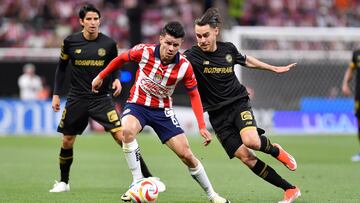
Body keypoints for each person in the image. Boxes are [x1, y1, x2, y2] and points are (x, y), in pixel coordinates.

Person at [92, 21, 230, 203]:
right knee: (126, 131)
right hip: (138, 105)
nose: (171, 48)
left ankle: (213, 195)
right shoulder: (144, 51)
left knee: (186, 154)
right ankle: (137, 182)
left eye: (176, 45)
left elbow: (194, 95)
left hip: (163, 110)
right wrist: (100, 76)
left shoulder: (184, 66)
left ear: (180, 45)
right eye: (168, 43)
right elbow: (121, 59)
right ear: (161, 39)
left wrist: (202, 125)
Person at [183, 8, 301, 203]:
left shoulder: (228, 49)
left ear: (215, 32)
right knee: (247, 158)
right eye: (198, 36)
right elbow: (173, 62)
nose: (202, 40)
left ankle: (276, 150)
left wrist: (273, 68)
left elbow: (246, 60)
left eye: (205, 35)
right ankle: (290, 189)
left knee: (252, 141)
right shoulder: (192, 55)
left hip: (238, 104)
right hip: (217, 116)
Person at [49, 4, 164, 193]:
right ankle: (63, 182)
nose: (93, 23)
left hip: (100, 98)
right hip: (77, 98)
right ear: (81, 21)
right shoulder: (70, 42)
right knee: (67, 140)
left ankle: (148, 177)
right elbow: (61, 68)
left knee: (122, 136)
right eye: (89, 19)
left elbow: (116, 65)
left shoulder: (109, 44)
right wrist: (55, 94)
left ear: (99, 20)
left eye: (96, 19)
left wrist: (117, 79)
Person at [342, 49, 360, 162]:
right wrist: (345, 84)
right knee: (359, 123)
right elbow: (350, 69)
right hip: (359, 95)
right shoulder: (357, 54)